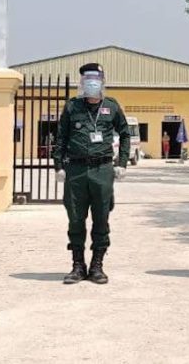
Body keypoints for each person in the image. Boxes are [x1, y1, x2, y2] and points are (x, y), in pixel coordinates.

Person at [54, 63, 130, 285]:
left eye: (96, 78)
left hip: (102, 170)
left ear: (103, 81)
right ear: (82, 82)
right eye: (87, 78)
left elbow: (125, 134)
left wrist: (122, 162)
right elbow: (61, 138)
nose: (92, 82)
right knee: (76, 218)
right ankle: (78, 265)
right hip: (76, 171)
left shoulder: (112, 106)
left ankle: (97, 265)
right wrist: (58, 166)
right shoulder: (72, 107)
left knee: (101, 218)